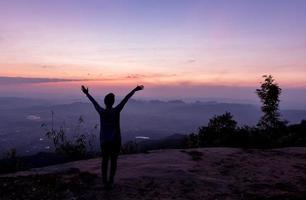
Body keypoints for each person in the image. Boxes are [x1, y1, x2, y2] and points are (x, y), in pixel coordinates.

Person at [81, 85, 144, 189]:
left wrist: (87, 93)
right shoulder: (116, 111)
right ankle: (111, 180)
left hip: (104, 141)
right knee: (114, 161)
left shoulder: (101, 112)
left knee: (105, 160)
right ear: (113, 102)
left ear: (105, 102)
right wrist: (134, 90)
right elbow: (126, 99)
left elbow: (94, 103)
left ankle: (105, 181)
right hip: (115, 141)